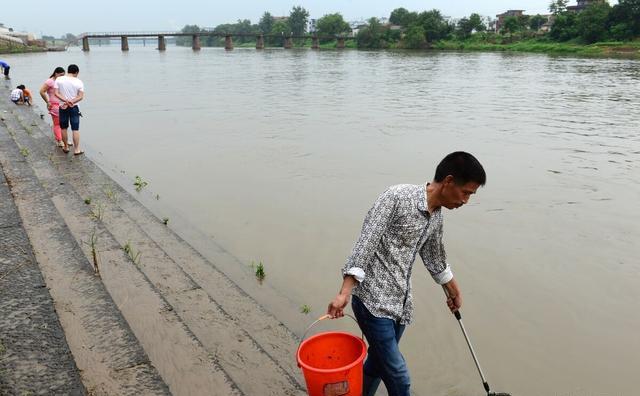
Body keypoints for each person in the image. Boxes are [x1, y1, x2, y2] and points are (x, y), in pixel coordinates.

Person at [327, 151, 487, 396]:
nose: (466, 201)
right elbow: (365, 243)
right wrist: (344, 292)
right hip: (372, 303)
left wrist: (453, 290)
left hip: (401, 306)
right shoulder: (396, 197)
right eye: (466, 192)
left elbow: (435, 258)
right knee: (399, 376)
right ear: (449, 181)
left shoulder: (436, 218)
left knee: (378, 364)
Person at [54, 64, 84, 155]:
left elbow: (56, 93)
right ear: (76, 72)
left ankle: (66, 147)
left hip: (62, 106)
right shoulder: (79, 82)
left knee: (63, 128)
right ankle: (76, 149)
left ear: (68, 71)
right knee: (75, 129)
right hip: (74, 107)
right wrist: (71, 101)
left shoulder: (59, 79)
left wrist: (66, 101)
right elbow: (81, 96)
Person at [39, 67, 66, 147]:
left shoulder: (61, 81)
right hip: (54, 105)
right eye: (61, 75)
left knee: (64, 124)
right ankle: (60, 140)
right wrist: (47, 102)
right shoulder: (50, 81)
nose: (62, 77)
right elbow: (41, 91)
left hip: (63, 104)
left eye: (63, 75)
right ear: (56, 73)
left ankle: (64, 139)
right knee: (57, 124)